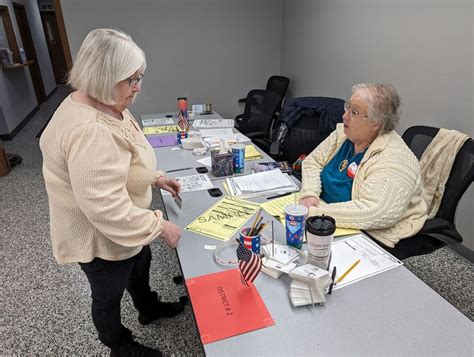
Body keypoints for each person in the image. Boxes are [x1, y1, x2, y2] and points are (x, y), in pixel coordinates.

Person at [40, 28, 184, 356]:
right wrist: (159, 226)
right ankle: (119, 346)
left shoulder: (105, 100)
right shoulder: (90, 131)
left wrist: (155, 177)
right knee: (107, 295)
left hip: (127, 230)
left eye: (139, 77)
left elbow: (127, 154)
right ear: (106, 76)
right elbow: (107, 209)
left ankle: (148, 307)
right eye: (131, 79)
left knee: (140, 261)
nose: (138, 86)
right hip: (101, 237)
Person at [299, 83, 427, 259]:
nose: (344, 115)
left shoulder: (394, 159)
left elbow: (376, 211)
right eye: (348, 107)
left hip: (363, 230)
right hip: (323, 216)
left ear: (376, 123)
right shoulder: (343, 135)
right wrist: (310, 194)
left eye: (354, 112)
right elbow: (313, 162)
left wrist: (314, 214)